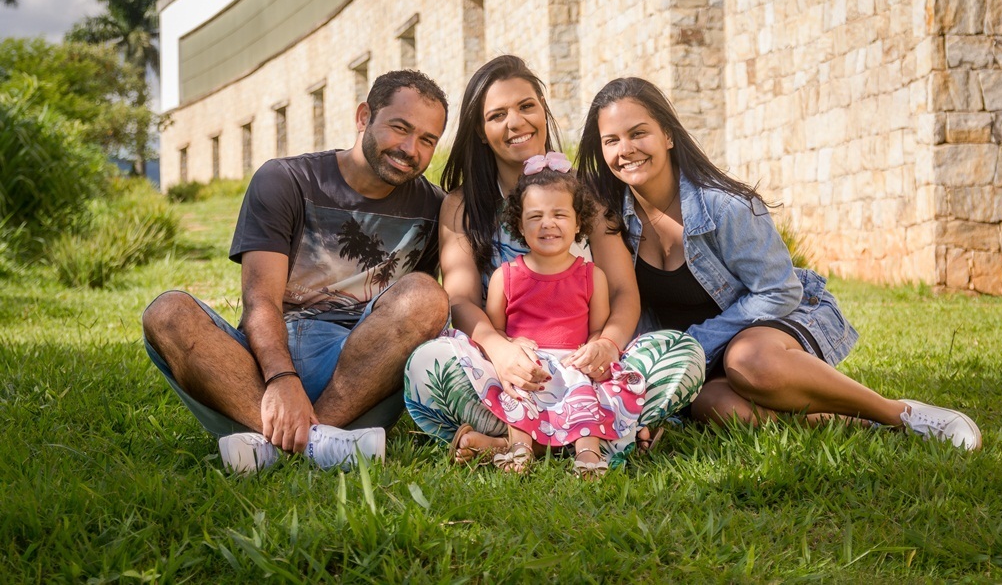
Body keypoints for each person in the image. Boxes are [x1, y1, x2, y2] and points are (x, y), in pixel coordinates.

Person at [576, 76, 982, 451]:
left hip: (770, 324)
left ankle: (900, 413)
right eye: (611, 140)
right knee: (714, 405)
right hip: (701, 357)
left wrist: (693, 344)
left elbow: (778, 291)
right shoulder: (610, 216)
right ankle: (857, 424)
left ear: (667, 135)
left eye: (638, 133)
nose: (625, 149)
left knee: (749, 362)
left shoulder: (725, 207)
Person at [142, 69, 452, 473]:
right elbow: (260, 301)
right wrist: (281, 378)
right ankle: (325, 443)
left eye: (427, 140)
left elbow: (416, 316)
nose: (411, 149)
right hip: (260, 365)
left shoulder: (436, 208)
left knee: (427, 297)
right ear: (364, 117)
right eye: (400, 128)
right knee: (167, 313)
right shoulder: (286, 179)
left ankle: (276, 444)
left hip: (358, 370)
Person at [404, 56, 706, 466]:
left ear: (543, 111)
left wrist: (607, 345)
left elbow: (623, 291)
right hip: (512, 370)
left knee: (682, 352)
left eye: (526, 106)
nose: (516, 123)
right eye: (497, 115)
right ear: (480, 130)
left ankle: (512, 442)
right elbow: (460, 301)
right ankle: (604, 436)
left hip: (587, 366)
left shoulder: (585, 193)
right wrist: (500, 351)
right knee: (428, 363)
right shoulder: (463, 205)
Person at [453, 152, 644, 478]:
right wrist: (511, 344)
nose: (547, 224)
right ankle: (520, 449)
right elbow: (495, 331)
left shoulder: (592, 276)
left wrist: (593, 349)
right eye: (535, 216)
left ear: (578, 222)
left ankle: (588, 454)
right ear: (519, 225)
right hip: (529, 367)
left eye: (559, 214)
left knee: (584, 396)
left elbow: (597, 331)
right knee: (519, 394)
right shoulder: (505, 277)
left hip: (573, 366)